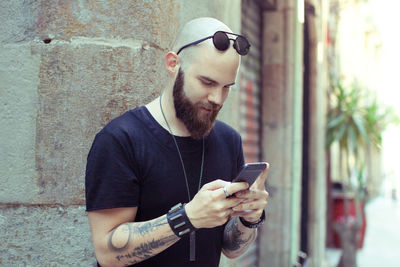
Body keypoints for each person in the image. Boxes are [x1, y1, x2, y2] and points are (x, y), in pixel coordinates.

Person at [85, 17, 269, 267]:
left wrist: (250, 218)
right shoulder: (121, 139)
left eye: (227, 87)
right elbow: (107, 252)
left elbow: (230, 249)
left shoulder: (229, 141)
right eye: (207, 82)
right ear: (173, 64)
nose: (217, 98)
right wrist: (189, 217)